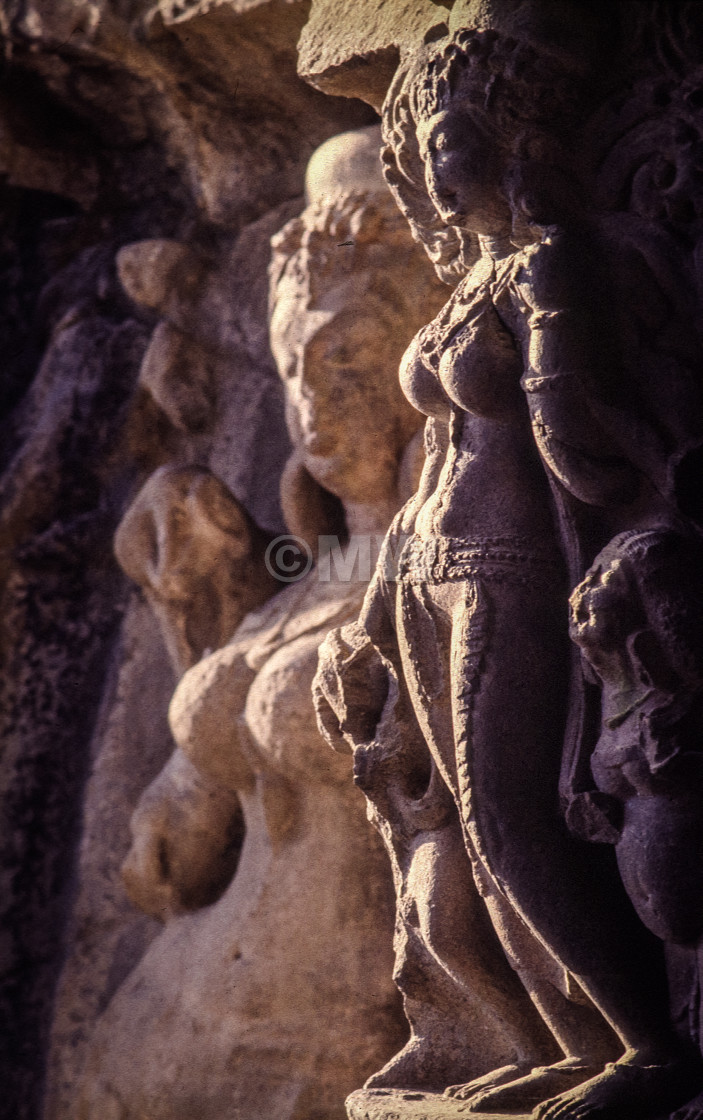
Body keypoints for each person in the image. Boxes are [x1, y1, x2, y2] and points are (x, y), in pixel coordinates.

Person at [317, 27, 702, 1120]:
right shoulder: (473, 280)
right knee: (473, 839)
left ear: (515, 138)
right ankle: (565, 1034)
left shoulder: (551, 266)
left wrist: (558, 365)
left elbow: (584, 453)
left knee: (510, 816)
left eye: (447, 140)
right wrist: (379, 594)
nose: (434, 174)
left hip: (506, 565)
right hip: (427, 568)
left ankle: (651, 1046)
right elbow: (433, 454)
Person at [74, 127, 446, 1120]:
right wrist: (195, 600)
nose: (313, 399)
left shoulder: (465, 563)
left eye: (351, 353)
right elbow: (168, 863)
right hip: (157, 1031)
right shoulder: (298, 587)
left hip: (321, 1062)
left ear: (434, 345)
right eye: (293, 365)